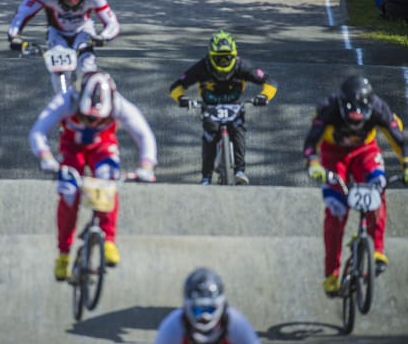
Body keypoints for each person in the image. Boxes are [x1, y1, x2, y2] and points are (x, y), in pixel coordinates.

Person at [29, 70, 157, 280]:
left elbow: (144, 135)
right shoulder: (66, 99)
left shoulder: (118, 103)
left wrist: (146, 166)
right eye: (87, 117)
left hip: (102, 148)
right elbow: (38, 131)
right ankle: (63, 254)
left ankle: (108, 240)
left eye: (100, 119)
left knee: (108, 181)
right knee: (69, 192)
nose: (92, 123)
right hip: (72, 149)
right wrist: (47, 158)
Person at [303, 75, 408, 296]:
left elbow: (401, 141)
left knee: (378, 188)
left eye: (358, 122)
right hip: (334, 155)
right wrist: (313, 165)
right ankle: (331, 273)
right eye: (349, 121)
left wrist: (406, 165)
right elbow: (310, 144)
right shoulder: (327, 108)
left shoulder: (380, 108)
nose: (353, 126)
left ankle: (377, 250)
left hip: (365, 152)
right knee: (336, 211)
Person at [169, 30, 278, 186]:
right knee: (210, 136)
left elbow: (270, 81)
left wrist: (264, 96)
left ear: (235, 55)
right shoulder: (202, 67)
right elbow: (176, 86)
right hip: (209, 107)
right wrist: (182, 98)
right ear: (210, 56)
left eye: (228, 58)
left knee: (238, 131)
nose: (224, 62)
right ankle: (206, 176)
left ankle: (240, 171)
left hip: (235, 106)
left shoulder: (243, 66)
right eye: (219, 58)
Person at [7, 0, 120, 92]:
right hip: (58, 33)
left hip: (83, 31)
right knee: (59, 73)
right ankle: (63, 101)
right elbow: (23, 12)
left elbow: (112, 23)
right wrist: (14, 35)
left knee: (86, 67)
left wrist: (104, 37)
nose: (70, 5)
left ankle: (89, 100)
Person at [154, 267, 260, 344]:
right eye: (197, 310)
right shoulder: (172, 328)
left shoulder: (237, 324)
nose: (204, 317)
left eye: (210, 309)